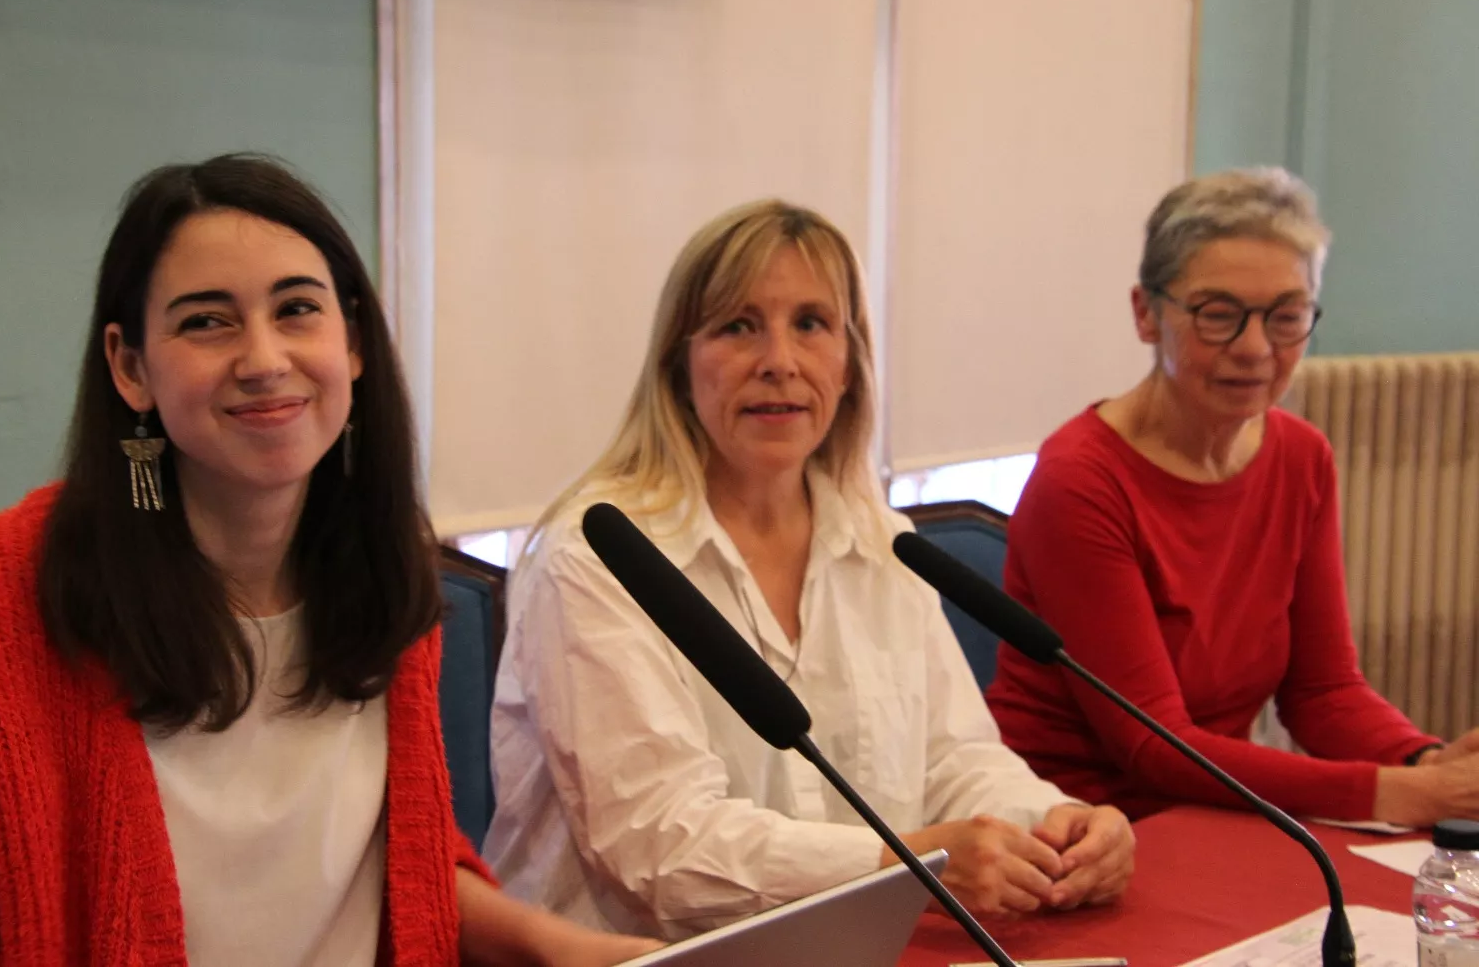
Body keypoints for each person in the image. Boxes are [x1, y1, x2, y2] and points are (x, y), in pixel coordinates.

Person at [0, 154, 658, 966]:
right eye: (207, 321)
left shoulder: (383, 576)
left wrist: (554, 947)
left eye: (296, 310)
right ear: (130, 366)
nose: (262, 359)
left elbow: (391, 865)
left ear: (351, 341)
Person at [483, 199, 1134, 940]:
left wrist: (1055, 826)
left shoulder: (881, 542)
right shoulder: (598, 558)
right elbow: (659, 849)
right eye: (738, 326)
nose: (780, 362)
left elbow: (955, 761)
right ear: (678, 364)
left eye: (811, 324)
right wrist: (912, 865)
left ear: (849, 363)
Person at [986, 167, 1479, 827]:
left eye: (1286, 317)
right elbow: (1151, 745)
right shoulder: (1080, 478)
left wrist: (1426, 763)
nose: (1254, 349)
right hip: (1076, 830)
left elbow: (1324, 692)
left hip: (1221, 815)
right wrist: (1399, 794)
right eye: (1218, 315)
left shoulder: (1302, 456)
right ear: (1146, 314)